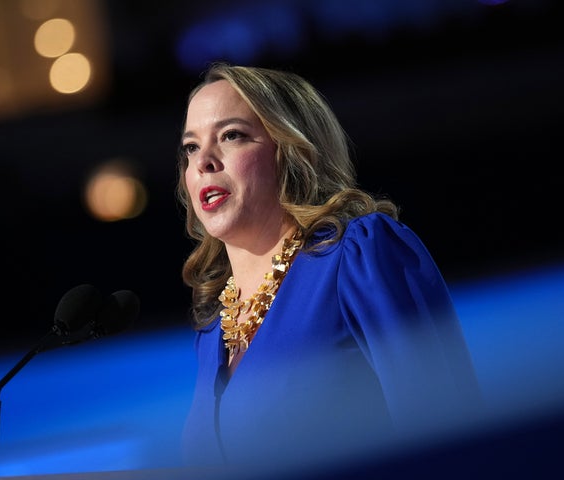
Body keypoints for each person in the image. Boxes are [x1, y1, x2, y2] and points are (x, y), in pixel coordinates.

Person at [175, 62, 483, 475]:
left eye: (231, 136)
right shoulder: (214, 327)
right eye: (191, 147)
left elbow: (450, 436)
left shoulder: (358, 255)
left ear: (292, 150)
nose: (203, 163)